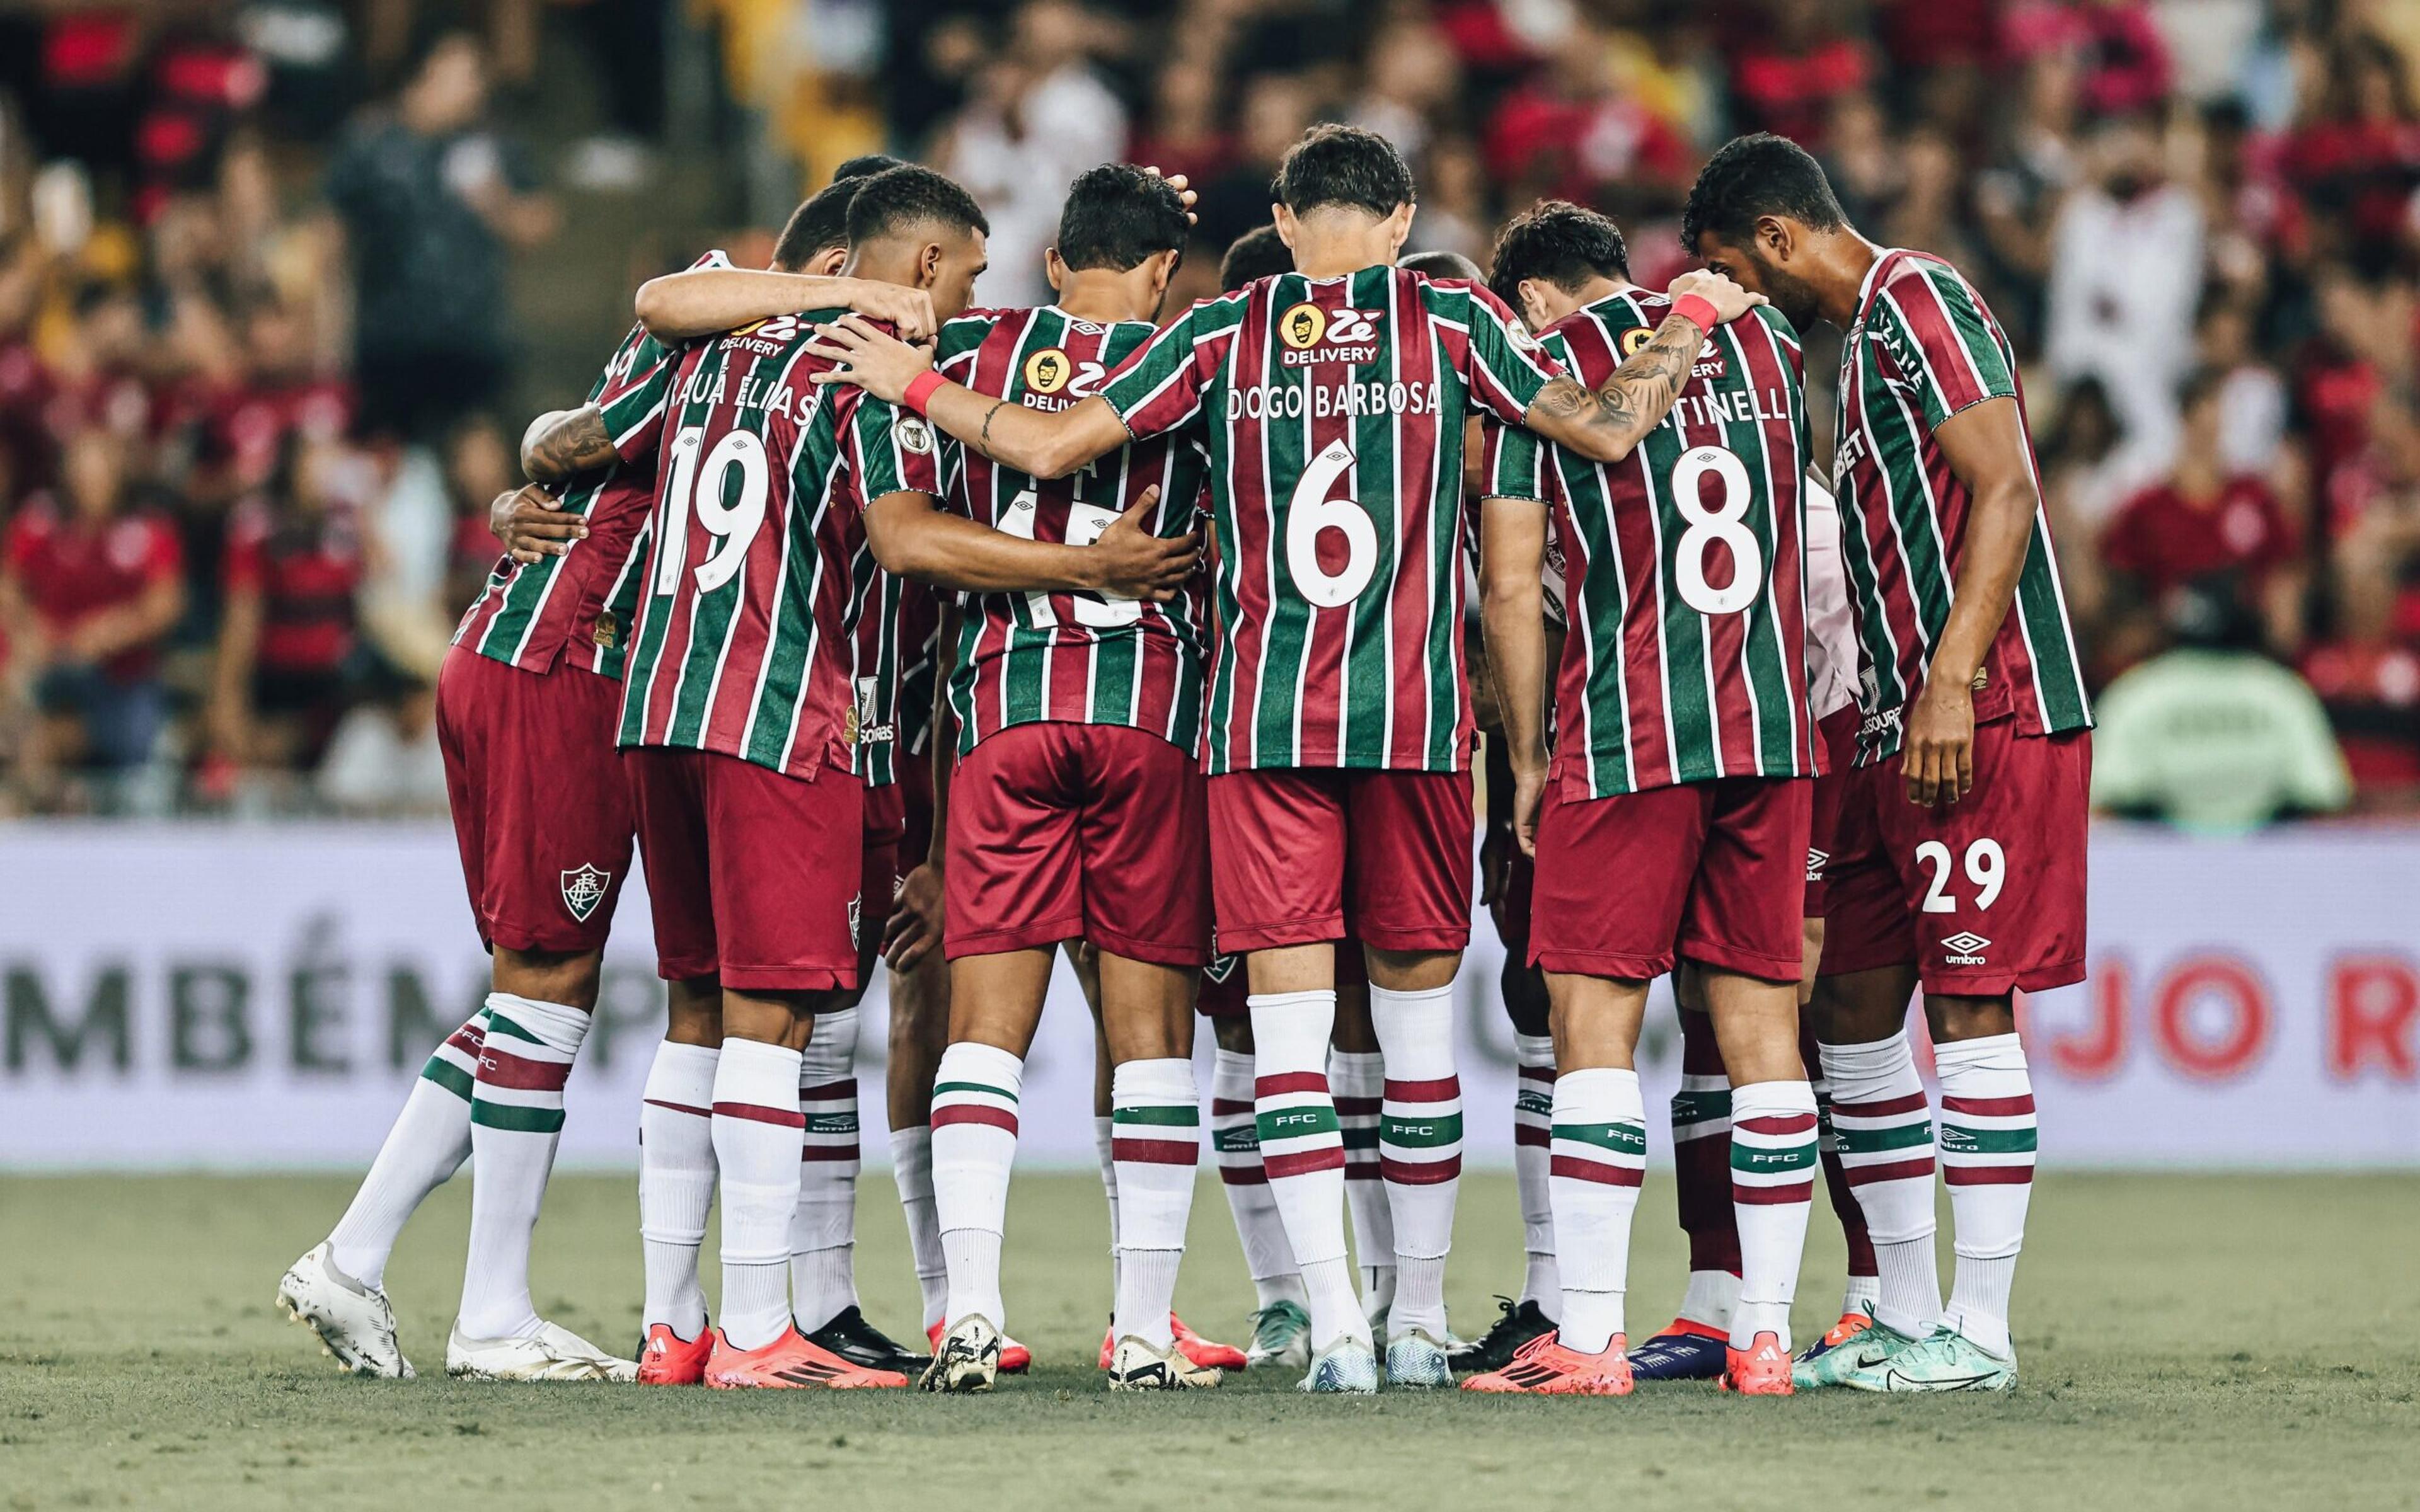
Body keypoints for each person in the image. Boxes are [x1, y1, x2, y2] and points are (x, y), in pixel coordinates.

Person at [807, 124, 1766, 1392]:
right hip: (1416, 731)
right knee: (1418, 1045)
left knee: (1289, 1043)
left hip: (1258, 730)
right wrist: (1688, 318)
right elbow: (1598, 431)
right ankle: (1417, 1323)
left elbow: (1044, 450)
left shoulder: (1220, 334)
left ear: (1283, 212)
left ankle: (1337, 1334)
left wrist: (917, 386)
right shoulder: (1455, 323)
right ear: (1402, 217)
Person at [536, 163, 1191, 1390]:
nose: (967, 299)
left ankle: (673, 1326)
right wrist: (1077, 572)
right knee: (775, 1025)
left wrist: (540, 481)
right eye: (967, 276)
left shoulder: (715, 350)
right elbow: (904, 537)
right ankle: (757, 1333)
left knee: (696, 1014)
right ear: (929, 270)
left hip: (660, 699)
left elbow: (622, 360)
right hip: (777, 716)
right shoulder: (866, 368)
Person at [274, 235, 931, 1381]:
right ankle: (488, 1316)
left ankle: (358, 1255)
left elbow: (567, 438)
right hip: (568, 661)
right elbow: (644, 333)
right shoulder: (749, 340)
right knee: (549, 990)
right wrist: (524, 482)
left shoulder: (715, 355)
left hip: (530, 651)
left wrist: (520, 482)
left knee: (533, 991)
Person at [1685, 132, 2094, 1392]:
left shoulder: (1920, 297)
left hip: (1989, 705)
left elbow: (2007, 491)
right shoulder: (1852, 351)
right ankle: (1905, 1314)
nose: (1738, 299)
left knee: (1972, 1006)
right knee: (1852, 1005)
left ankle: (1980, 1332)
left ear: (1775, 238)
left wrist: (1955, 685)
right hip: (1889, 724)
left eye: (1729, 272)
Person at [1463, 199, 1818, 1397]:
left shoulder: (1538, 364)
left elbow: (1514, 591)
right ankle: (1762, 1336)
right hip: (1769, 729)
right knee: (1765, 1032)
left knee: (1593, 1029)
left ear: (1537, 299)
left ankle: (1591, 1337)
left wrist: (1523, 758)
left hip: (1630, 733)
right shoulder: (1764, 340)